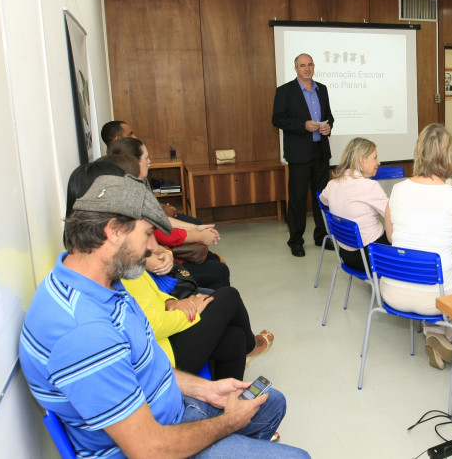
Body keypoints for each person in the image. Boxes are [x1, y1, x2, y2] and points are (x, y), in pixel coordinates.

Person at [19, 174, 309, 458]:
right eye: (146, 234)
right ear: (113, 231)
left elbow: (145, 365)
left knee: (272, 403)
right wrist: (227, 422)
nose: (153, 247)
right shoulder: (83, 333)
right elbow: (148, 449)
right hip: (153, 444)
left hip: (166, 412)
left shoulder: (103, 284)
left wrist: (206, 389)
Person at [65, 161, 274, 382]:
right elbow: (150, 326)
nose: (153, 245)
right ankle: (245, 359)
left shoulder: (108, 259)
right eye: (147, 234)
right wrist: (187, 312)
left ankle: (228, 398)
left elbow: (148, 299)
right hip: (163, 356)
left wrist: (171, 302)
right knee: (227, 295)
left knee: (234, 339)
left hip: (165, 337)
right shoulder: (107, 273)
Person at [383, 124, 452, 370]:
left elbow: (391, 237)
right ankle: (444, 335)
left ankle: (435, 334)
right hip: (433, 297)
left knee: (440, 282)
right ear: (449, 156)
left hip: (391, 290)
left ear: (419, 152)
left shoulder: (397, 190)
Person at [109, 136, 231, 289]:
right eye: (146, 158)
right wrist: (200, 235)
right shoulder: (129, 198)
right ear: (133, 163)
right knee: (218, 271)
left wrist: (195, 229)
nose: (149, 161)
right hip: (157, 264)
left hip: (162, 254)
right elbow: (162, 233)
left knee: (211, 257)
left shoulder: (134, 188)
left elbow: (160, 220)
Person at [272, 53, 335, 258]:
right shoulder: (285, 91)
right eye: (302, 65)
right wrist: (302, 125)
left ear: (313, 67)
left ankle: (321, 237)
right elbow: (277, 119)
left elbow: (329, 116)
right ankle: (296, 241)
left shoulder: (322, 89)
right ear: (296, 69)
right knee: (298, 200)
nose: (307, 68)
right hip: (298, 154)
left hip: (320, 152)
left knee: (322, 198)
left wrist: (328, 127)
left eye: (309, 65)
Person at [320, 137, 389, 272]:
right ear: (362, 160)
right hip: (371, 257)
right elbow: (393, 214)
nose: (378, 162)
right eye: (375, 158)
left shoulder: (333, 184)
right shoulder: (369, 186)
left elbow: (323, 200)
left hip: (347, 256)